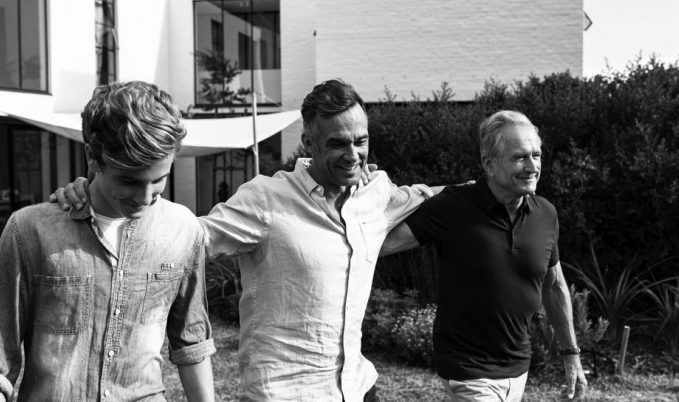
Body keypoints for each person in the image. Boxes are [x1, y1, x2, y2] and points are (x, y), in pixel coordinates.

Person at [52, 79, 438, 401]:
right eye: (338, 143)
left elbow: (441, 199)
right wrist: (96, 193)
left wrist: (477, 188)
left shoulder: (376, 193)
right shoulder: (266, 199)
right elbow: (186, 238)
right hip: (286, 393)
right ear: (309, 143)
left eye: (360, 141)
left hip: (358, 387)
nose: (353, 154)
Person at [0, 81, 216, 401]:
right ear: (92, 156)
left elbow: (192, 344)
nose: (145, 197)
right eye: (129, 180)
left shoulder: (183, 229)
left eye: (159, 179)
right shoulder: (30, 231)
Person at [382, 110, 587, 401]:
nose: (532, 166)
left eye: (536, 155)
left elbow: (553, 286)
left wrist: (571, 353)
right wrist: (426, 192)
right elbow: (384, 244)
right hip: (467, 368)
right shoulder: (453, 207)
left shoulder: (545, 213)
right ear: (489, 164)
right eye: (520, 157)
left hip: (518, 367)